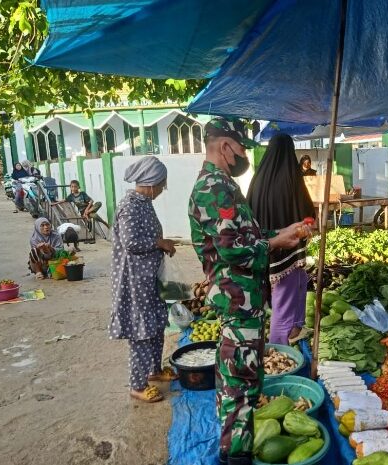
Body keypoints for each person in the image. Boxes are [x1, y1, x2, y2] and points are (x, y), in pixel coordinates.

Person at [188, 118, 308, 465]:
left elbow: (243, 235)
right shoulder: (214, 188)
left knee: (239, 374)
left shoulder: (221, 184)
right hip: (237, 297)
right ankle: (236, 454)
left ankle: (232, 444)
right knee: (240, 380)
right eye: (241, 148)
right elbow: (232, 249)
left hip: (243, 298)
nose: (243, 156)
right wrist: (276, 242)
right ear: (225, 146)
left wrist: (280, 230)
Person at [109, 156, 177, 404]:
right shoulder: (130, 206)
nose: (162, 189)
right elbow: (131, 243)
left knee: (157, 326)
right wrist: (159, 243)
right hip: (135, 282)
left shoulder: (144, 203)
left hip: (150, 279)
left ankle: (154, 371)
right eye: (161, 184)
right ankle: (137, 385)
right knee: (141, 332)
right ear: (149, 182)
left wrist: (162, 245)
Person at [247, 134, 315, 345]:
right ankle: (278, 351)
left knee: (293, 290)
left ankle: (294, 329)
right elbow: (307, 213)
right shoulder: (291, 178)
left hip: (263, 249)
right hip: (288, 252)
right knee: (283, 304)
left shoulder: (257, 179)